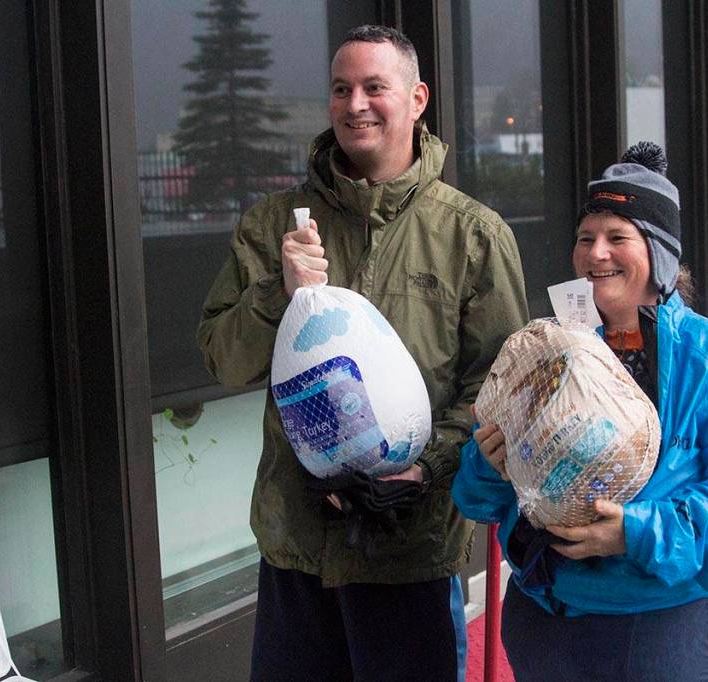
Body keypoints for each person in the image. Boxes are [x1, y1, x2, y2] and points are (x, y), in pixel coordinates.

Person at [197, 25, 528, 681]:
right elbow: (223, 359)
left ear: (416, 98)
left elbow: (503, 387)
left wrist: (427, 466)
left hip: (411, 549)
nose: (356, 104)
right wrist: (278, 293)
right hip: (297, 548)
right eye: (342, 89)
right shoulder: (273, 226)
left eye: (375, 87)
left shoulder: (472, 234)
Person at [452, 141, 708, 680]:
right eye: (586, 238)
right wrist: (487, 464)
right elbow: (478, 500)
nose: (595, 254)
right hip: (550, 616)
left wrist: (636, 533)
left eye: (618, 237)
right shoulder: (549, 356)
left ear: (659, 253)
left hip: (676, 624)